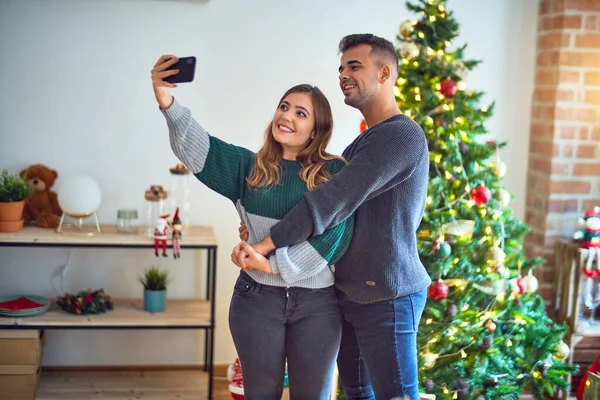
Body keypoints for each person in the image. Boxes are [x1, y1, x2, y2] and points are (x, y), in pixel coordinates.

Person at [234, 34, 432, 400]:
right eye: (341, 68)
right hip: (351, 293)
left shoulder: (401, 135)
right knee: (357, 392)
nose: (343, 74)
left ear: (385, 72)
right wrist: (257, 225)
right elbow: (330, 211)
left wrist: (267, 243)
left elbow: (331, 202)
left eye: (354, 66)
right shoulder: (361, 144)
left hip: (388, 294)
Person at [151, 54, 354, 400]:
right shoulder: (250, 167)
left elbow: (336, 238)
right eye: (283, 106)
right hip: (257, 301)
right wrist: (165, 100)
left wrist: (270, 264)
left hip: (318, 304)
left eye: (300, 113)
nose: (286, 115)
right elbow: (198, 147)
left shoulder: (334, 173)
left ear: (317, 130)